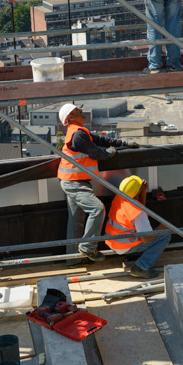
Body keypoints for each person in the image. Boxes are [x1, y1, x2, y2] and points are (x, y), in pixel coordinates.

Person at [57, 103, 138, 266]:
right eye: (77, 110)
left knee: (76, 220)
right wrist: (108, 154)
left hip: (73, 181)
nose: (81, 111)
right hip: (74, 182)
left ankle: (73, 260)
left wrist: (123, 143)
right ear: (70, 118)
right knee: (97, 209)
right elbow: (95, 151)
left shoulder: (80, 132)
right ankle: (87, 247)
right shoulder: (77, 134)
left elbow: (101, 140)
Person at [105, 175, 171, 279]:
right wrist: (160, 229)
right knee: (165, 235)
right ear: (136, 192)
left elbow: (138, 206)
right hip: (124, 246)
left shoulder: (119, 197)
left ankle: (134, 255)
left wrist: (142, 192)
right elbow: (145, 238)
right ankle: (141, 267)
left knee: (143, 231)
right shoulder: (137, 213)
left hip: (112, 242)